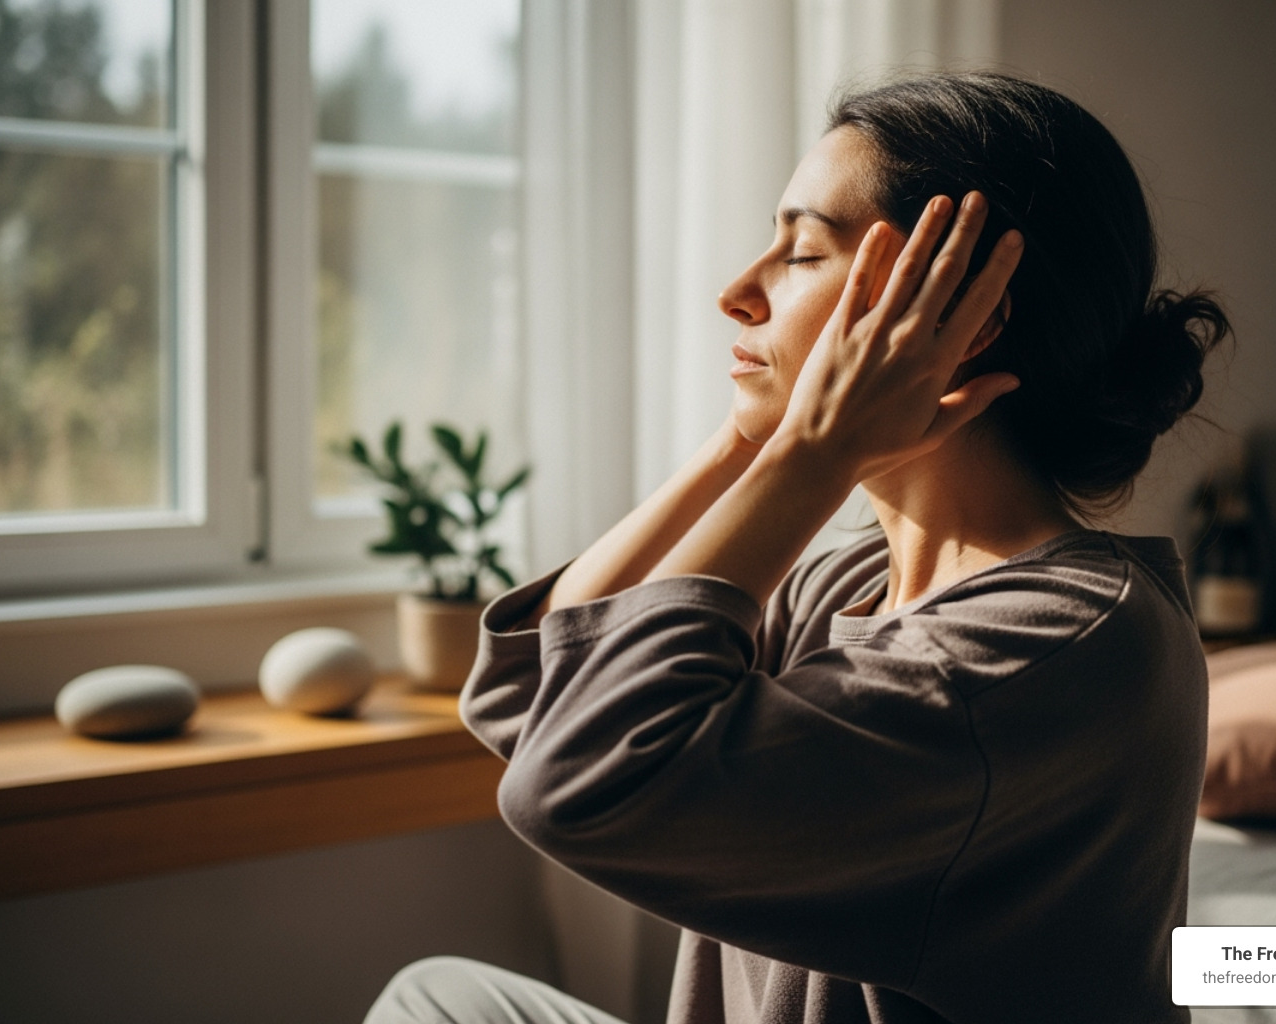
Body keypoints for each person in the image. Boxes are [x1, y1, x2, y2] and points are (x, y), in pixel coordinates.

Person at [366, 69, 1229, 1024]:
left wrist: (814, 448)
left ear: (958, 324)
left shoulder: (1062, 643)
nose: (738, 292)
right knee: (439, 997)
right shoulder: (848, 579)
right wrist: (755, 439)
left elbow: (575, 781)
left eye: (804, 253)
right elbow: (534, 695)